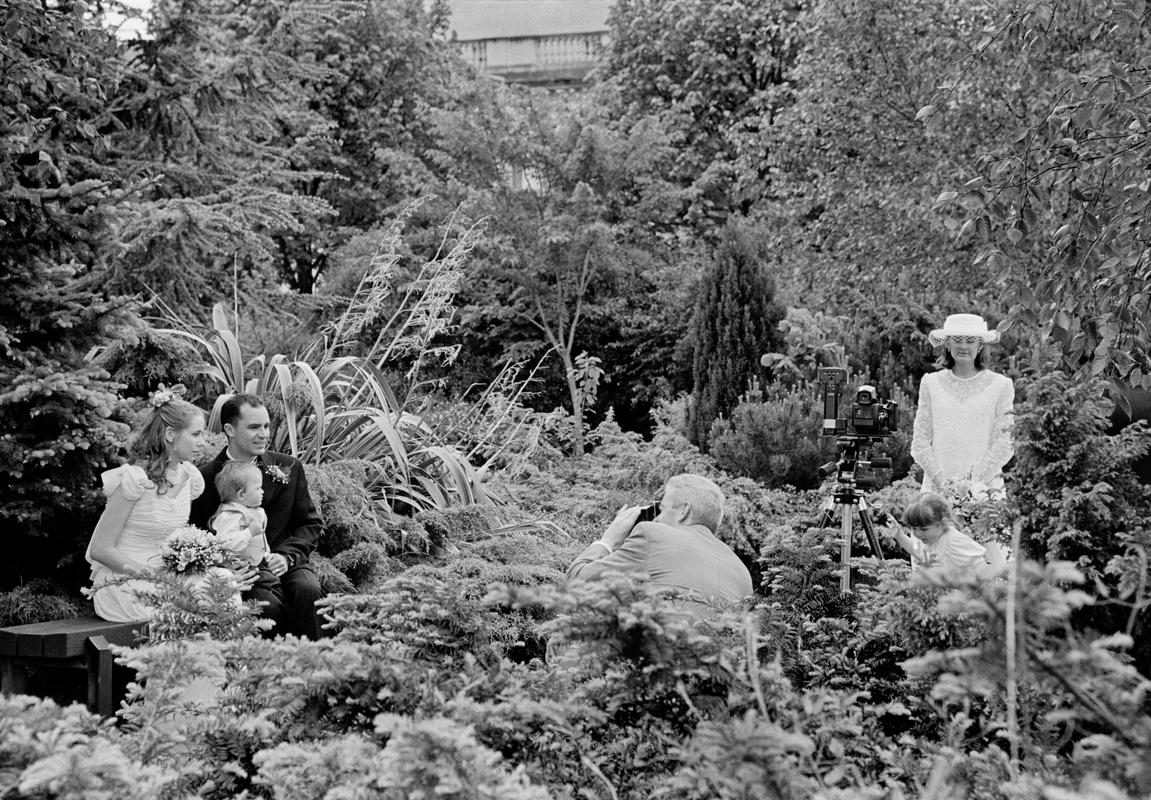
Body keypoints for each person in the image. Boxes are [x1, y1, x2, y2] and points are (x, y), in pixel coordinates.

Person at [85, 386, 256, 622]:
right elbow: (100, 549)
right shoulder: (133, 480)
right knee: (192, 602)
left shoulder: (189, 477)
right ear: (170, 435)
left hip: (168, 576)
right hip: (125, 582)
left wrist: (197, 565)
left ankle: (224, 657)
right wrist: (155, 576)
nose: (203, 443)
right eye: (196, 434)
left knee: (223, 581)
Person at [190, 393, 327, 639]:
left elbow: (309, 523)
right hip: (243, 567)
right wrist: (226, 571)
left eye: (266, 426)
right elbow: (200, 535)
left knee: (308, 591)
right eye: (254, 427)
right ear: (230, 429)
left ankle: (317, 669)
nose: (264, 434)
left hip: (287, 559)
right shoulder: (205, 478)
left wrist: (287, 557)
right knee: (267, 608)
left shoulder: (289, 467)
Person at [565, 474, 753, 609]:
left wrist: (608, 540)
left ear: (684, 510)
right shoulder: (742, 572)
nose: (656, 519)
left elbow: (576, 583)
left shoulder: (652, 535)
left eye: (662, 510)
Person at [911, 313, 1015, 496]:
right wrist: (944, 485)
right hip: (937, 494)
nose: (964, 346)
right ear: (948, 344)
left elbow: (1004, 444)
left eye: (970, 340)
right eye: (957, 339)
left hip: (986, 492)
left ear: (980, 345)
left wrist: (971, 485)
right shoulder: (930, 383)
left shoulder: (1001, 386)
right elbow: (920, 443)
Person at [890, 492, 1005, 578]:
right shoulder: (929, 540)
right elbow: (916, 549)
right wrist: (900, 536)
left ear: (942, 522)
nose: (918, 533)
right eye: (914, 528)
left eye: (924, 529)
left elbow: (979, 564)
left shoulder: (954, 541)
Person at [209, 461, 270, 566]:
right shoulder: (229, 516)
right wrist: (249, 532)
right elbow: (226, 545)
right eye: (258, 488)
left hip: (259, 563)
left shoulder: (252, 511)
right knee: (272, 582)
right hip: (240, 568)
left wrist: (267, 554)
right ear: (241, 494)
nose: (262, 491)